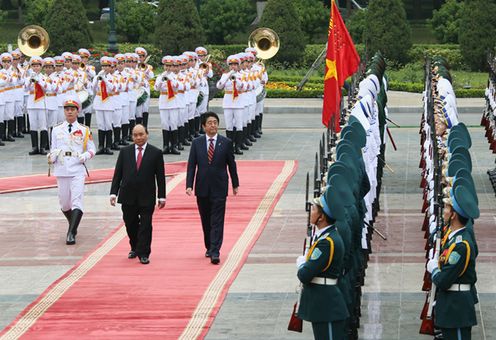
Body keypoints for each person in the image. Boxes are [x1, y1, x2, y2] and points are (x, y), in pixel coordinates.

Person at [186, 112, 239, 264]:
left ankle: (216, 251)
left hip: (219, 187)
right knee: (206, 219)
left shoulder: (226, 142)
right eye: (209, 123)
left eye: (215, 122)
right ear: (203, 126)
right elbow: (191, 166)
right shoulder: (197, 143)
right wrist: (189, 184)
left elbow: (231, 164)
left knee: (217, 220)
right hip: (202, 187)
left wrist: (235, 184)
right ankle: (209, 246)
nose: (213, 125)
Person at [110, 124, 166, 265]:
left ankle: (144, 253)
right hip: (127, 195)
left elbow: (160, 177)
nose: (139, 137)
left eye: (141, 134)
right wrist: (113, 193)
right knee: (131, 223)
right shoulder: (125, 152)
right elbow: (118, 174)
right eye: (135, 135)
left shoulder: (156, 152)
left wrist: (162, 196)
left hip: (147, 196)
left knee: (146, 225)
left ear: (147, 134)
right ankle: (134, 246)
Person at [296, 191, 349, 340]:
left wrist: (301, 264)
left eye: (313, 209)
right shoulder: (326, 237)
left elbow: (305, 275)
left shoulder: (326, 243)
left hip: (327, 306)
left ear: (322, 217)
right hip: (323, 305)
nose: (310, 212)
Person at [48, 97, 96, 245]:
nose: (69, 111)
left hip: (77, 168)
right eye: (67, 109)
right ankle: (73, 225)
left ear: (77, 111)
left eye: (72, 109)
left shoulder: (84, 129)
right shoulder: (56, 129)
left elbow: (92, 149)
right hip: (61, 169)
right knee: (64, 204)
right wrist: (51, 156)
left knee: (77, 201)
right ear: (64, 111)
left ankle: (71, 233)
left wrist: (85, 156)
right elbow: (53, 148)